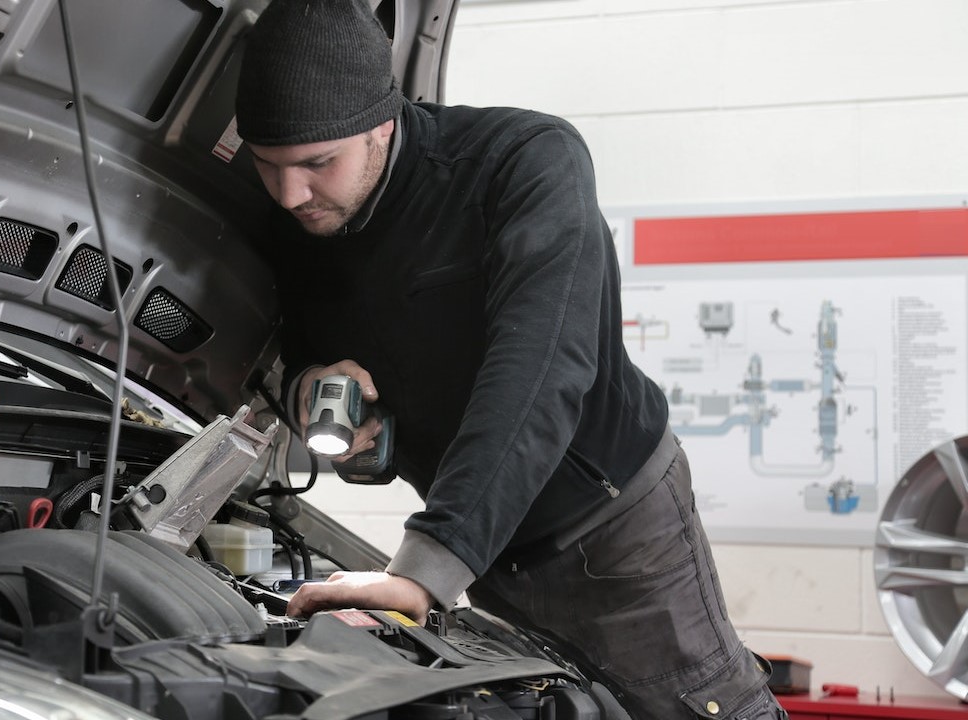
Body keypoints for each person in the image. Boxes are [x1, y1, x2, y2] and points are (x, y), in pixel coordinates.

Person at [233, 1, 786, 718]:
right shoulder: (296, 218)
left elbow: (540, 371)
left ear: (383, 121)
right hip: (486, 549)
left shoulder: (522, 162)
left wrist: (426, 568)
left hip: (614, 534)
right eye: (267, 165)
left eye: (316, 164)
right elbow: (305, 349)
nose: (289, 194)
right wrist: (318, 395)